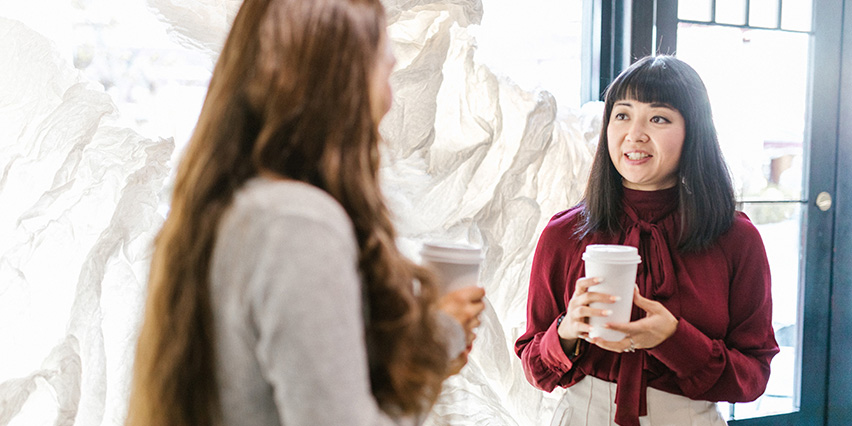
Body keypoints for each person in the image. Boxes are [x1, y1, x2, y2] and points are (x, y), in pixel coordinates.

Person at [125, 0, 485, 425]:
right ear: (338, 86)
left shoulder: (236, 207)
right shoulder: (297, 224)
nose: (388, 103)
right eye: (384, 73)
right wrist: (441, 337)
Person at [514, 55, 779, 426]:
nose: (634, 134)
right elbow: (535, 368)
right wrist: (567, 330)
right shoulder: (563, 234)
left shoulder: (736, 239)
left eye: (658, 118)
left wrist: (673, 339)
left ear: (693, 131)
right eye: (622, 115)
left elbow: (753, 376)